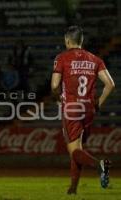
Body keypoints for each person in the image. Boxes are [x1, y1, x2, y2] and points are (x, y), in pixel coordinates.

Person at [51, 26, 115, 194]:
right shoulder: (95, 59)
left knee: (74, 151)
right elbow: (110, 84)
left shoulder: (62, 58)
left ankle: (99, 165)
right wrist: (98, 103)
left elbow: (54, 85)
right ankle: (73, 188)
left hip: (72, 107)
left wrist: (59, 99)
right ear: (82, 41)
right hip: (88, 109)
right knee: (78, 148)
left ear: (67, 40)